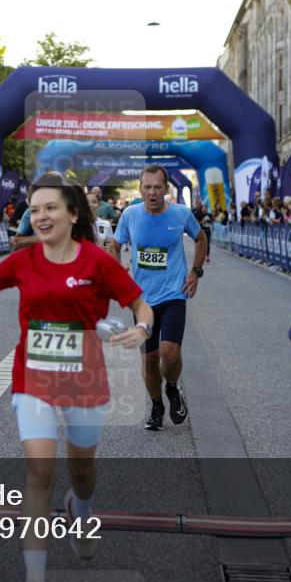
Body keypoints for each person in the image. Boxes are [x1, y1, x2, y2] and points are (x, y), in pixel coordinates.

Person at [0, 172, 152, 582]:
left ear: (72, 213)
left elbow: (140, 304)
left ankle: (80, 510)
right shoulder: (24, 262)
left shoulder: (97, 262)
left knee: (81, 471)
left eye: (50, 208)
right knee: (39, 470)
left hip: (85, 383)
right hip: (34, 382)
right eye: (36, 208)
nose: (41, 216)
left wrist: (142, 327)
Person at [111, 165, 207, 431]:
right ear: (140, 188)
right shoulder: (130, 215)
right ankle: (156, 405)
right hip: (142, 301)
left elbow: (201, 238)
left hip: (174, 294)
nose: (152, 192)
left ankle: (173, 388)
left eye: (157, 187)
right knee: (150, 359)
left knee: (170, 352)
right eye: (147, 187)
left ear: (166, 189)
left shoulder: (180, 213)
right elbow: (114, 244)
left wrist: (196, 271)